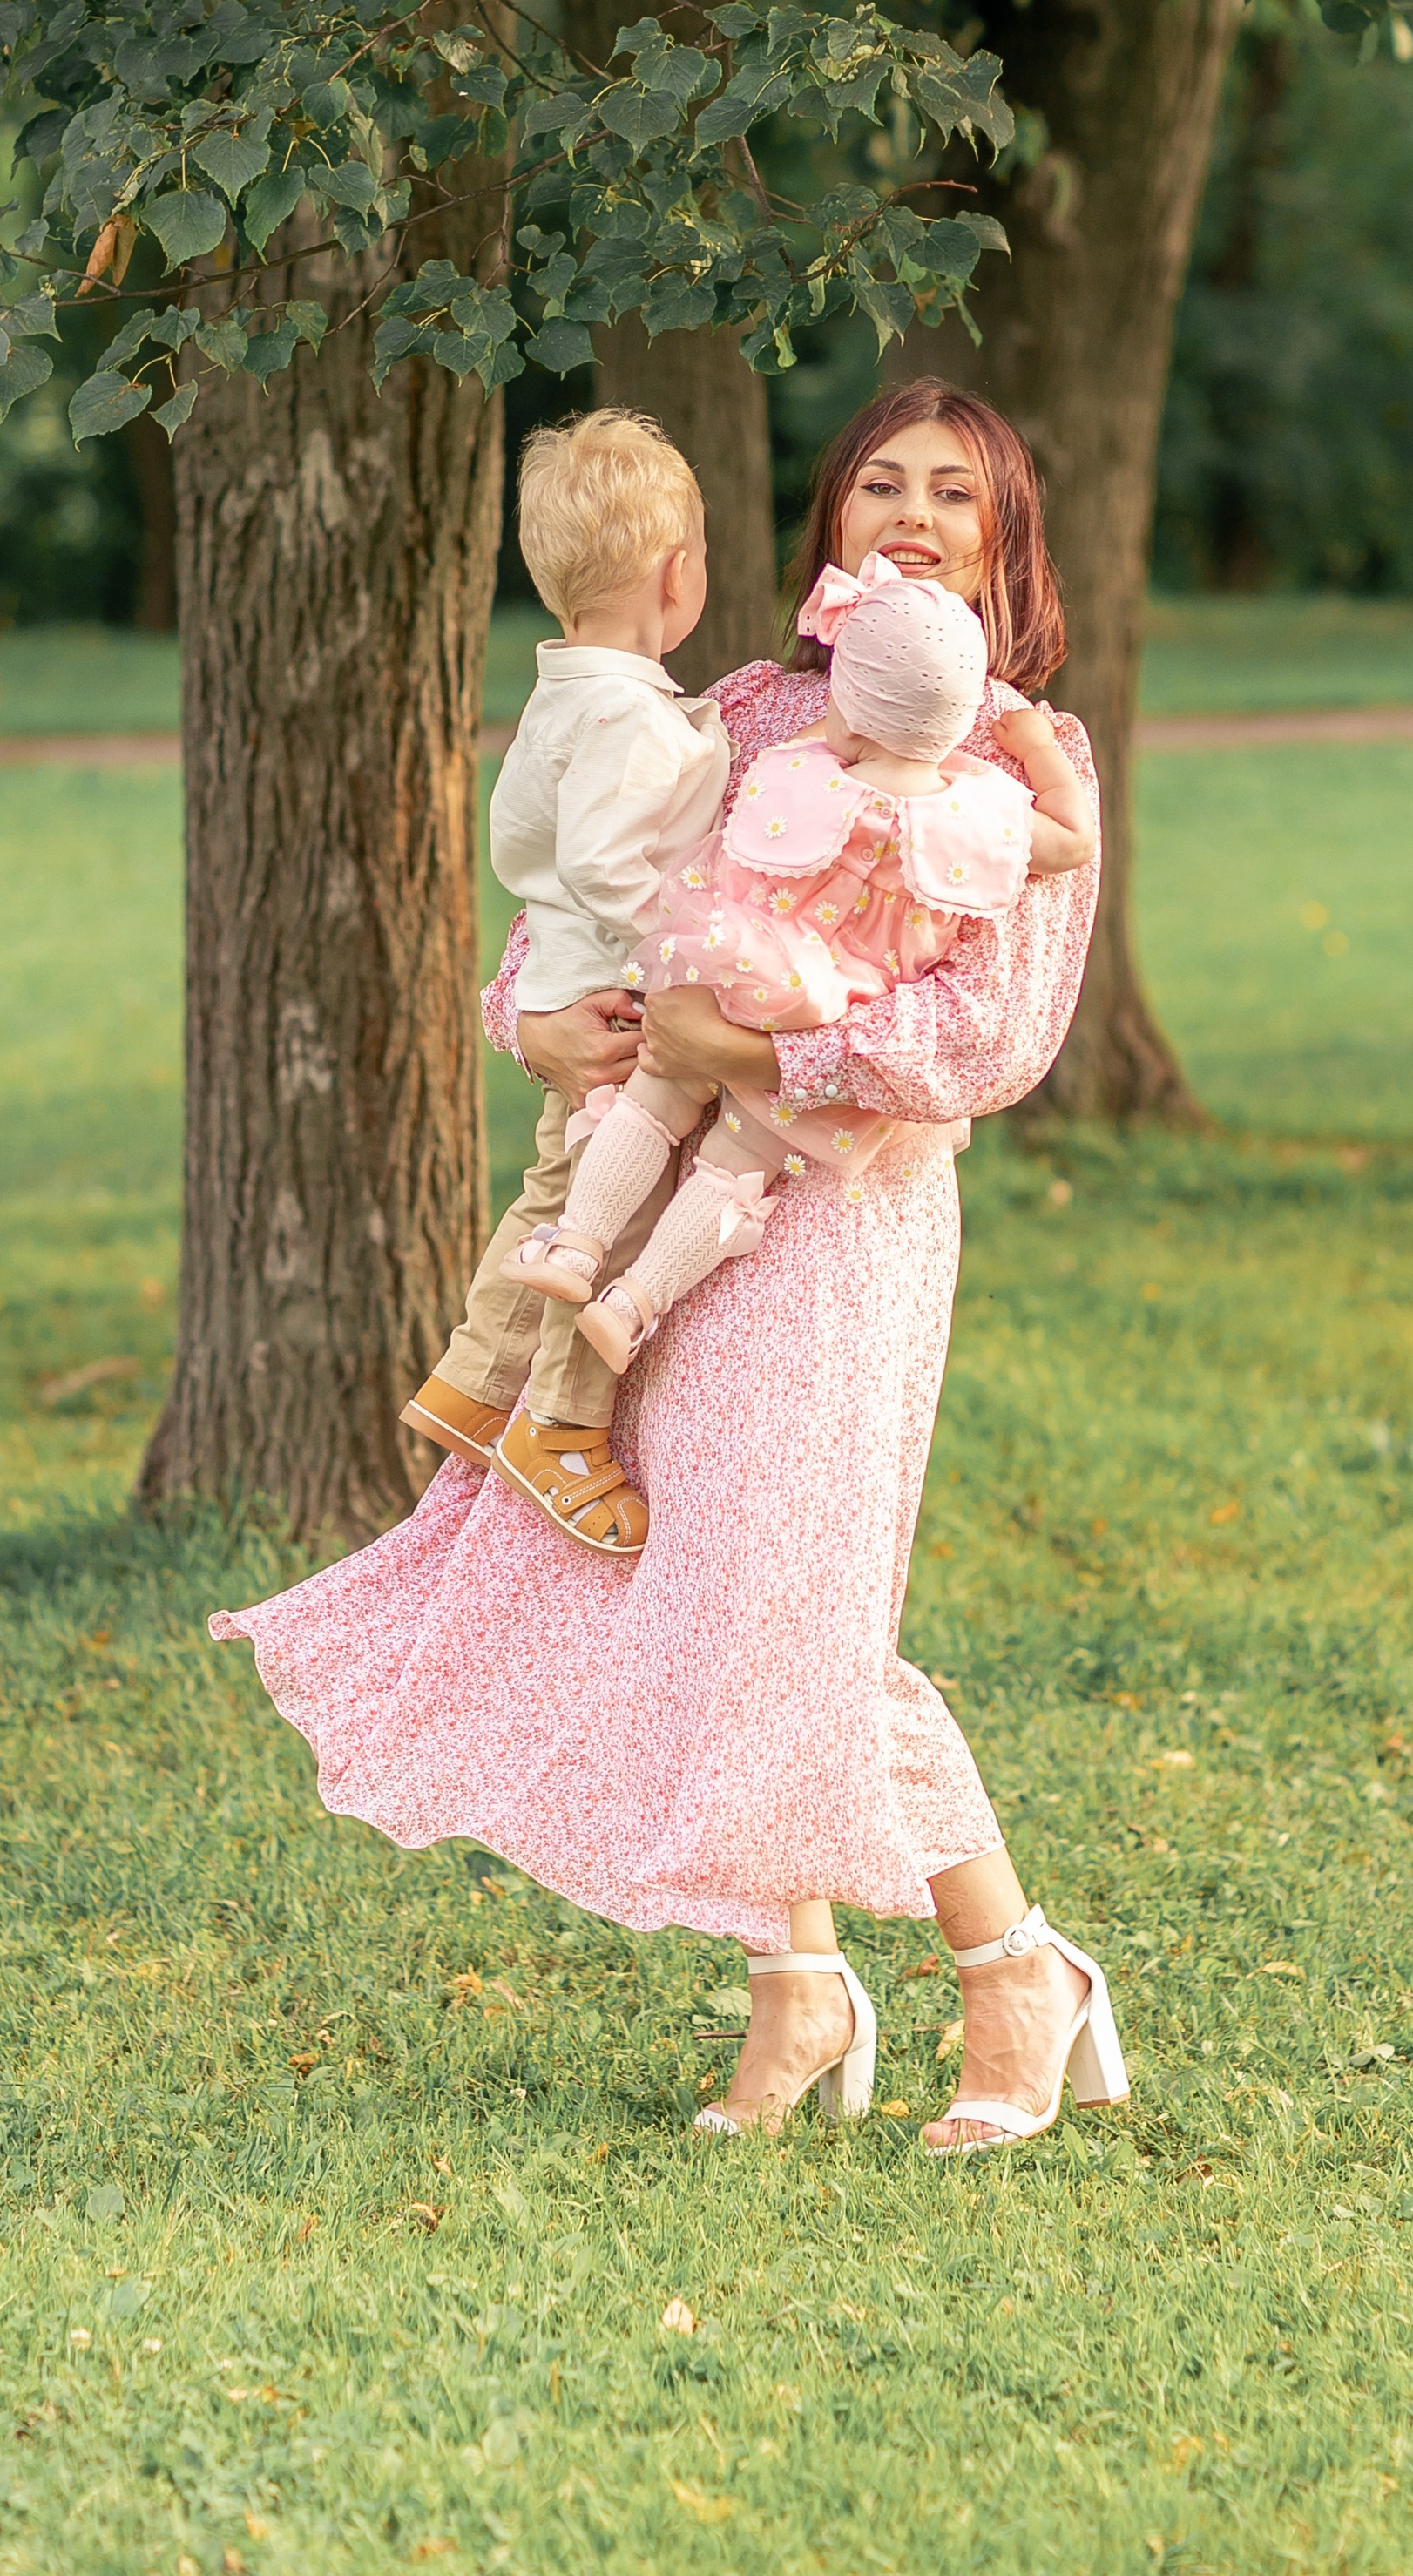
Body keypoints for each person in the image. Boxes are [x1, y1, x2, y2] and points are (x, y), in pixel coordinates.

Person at [212, 378, 1125, 2152]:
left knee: (797, 1611)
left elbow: (992, 1033)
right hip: (664, 1219)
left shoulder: (1022, 759)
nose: (914, 514)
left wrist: (764, 1062)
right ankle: (796, 1992)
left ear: (1005, 544)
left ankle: (1016, 1970)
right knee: (714, 1590)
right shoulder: (748, 711)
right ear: (830, 528)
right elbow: (611, 910)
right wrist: (535, 1023)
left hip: (840, 1219)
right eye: (882, 486)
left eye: (955, 493)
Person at [510, 548, 1096, 1385]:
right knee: (737, 1166)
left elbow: (732, 845)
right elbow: (1072, 841)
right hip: (826, 1014)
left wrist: (841, 730)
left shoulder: (797, 767)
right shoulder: (987, 817)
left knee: (654, 1099)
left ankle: (575, 1245)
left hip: (739, 975)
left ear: (849, 707)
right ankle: (631, 1305)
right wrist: (1035, 747)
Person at [398, 409, 727, 1555]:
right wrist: (678, 951)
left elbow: (526, 843)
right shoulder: (629, 718)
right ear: (674, 574)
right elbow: (598, 861)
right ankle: (560, 1424)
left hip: (573, 981)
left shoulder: (561, 696)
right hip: (622, 1012)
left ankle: (472, 1381)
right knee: (609, 1220)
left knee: (552, 1201)